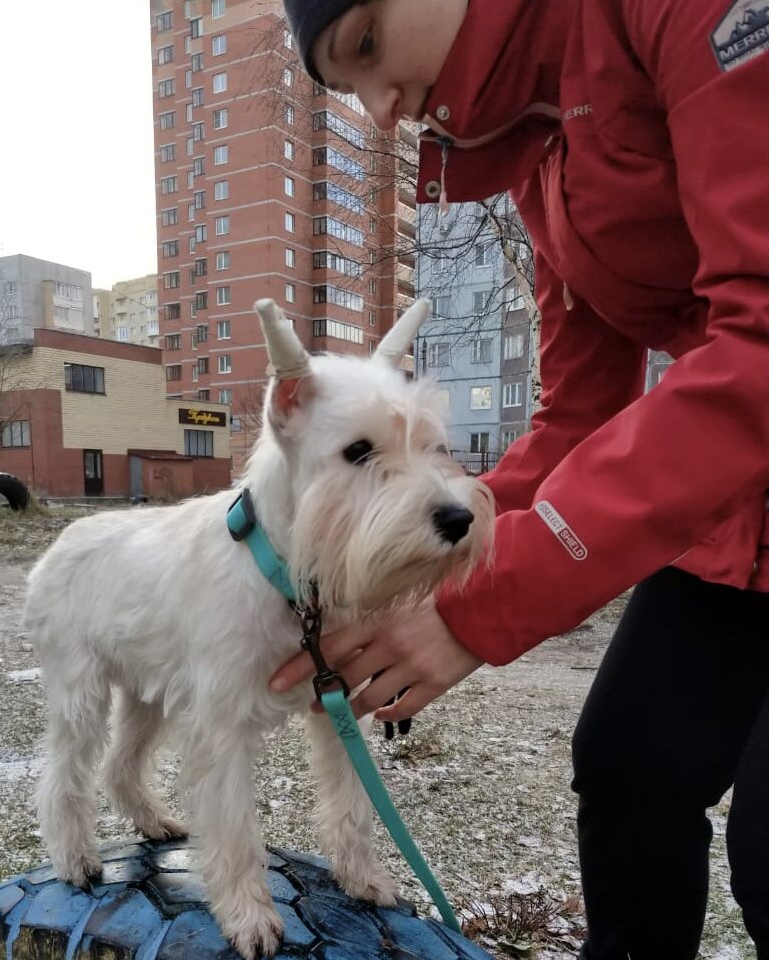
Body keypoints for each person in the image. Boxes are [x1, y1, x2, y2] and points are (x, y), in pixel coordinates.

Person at [272, 1, 769, 957]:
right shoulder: (541, 148)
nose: (380, 111)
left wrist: (479, 610)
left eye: (368, 45)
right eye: (348, 87)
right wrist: (425, 557)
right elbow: (579, 417)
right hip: (741, 507)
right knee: (628, 766)